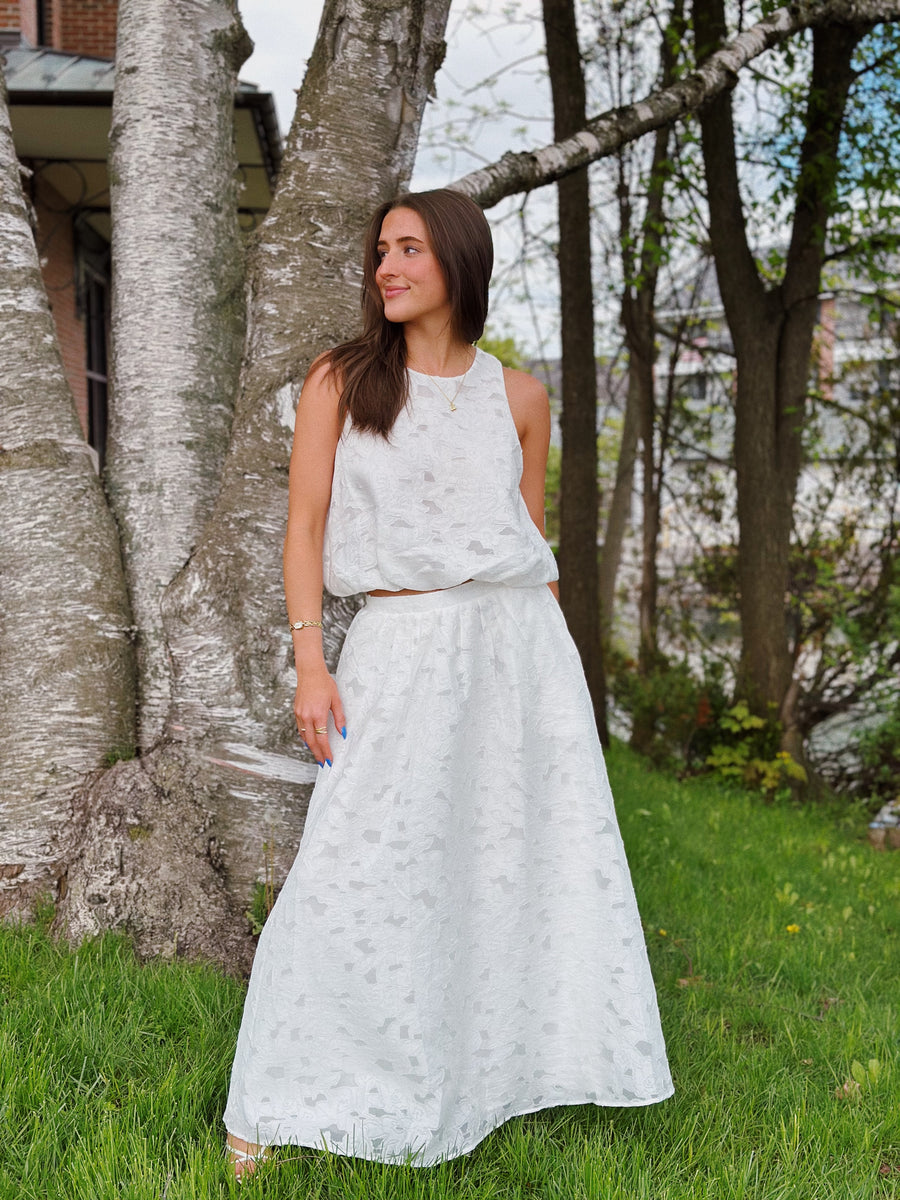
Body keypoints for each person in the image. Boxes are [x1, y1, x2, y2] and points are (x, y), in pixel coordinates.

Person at [223, 188, 673, 1178]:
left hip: (517, 652)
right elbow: (304, 528)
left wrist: (562, 694)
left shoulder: (522, 398)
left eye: (410, 248)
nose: (387, 266)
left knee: (505, 863)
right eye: (382, 249)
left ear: (459, 262)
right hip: (398, 645)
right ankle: (275, 1097)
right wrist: (310, 661)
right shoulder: (342, 381)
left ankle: (495, 1074)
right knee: (351, 861)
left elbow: (529, 545)